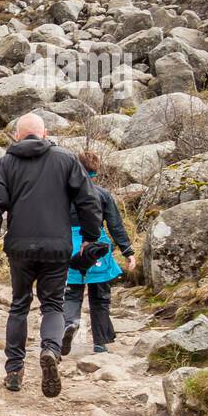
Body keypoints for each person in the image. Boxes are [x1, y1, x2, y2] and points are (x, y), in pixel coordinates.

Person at [0, 113, 102, 398]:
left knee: (19, 305)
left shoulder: (6, 163)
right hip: (57, 248)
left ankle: (14, 370)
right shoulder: (66, 159)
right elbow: (89, 199)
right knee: (52, 305)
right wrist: (90, 237)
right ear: (44, 134)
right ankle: (50, 349)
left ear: (18, 136)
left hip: (19, 247)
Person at [63, 151, 134, 356]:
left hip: (69, 245)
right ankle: (100, 343)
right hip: (96, 246)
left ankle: (70, 323)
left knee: (71, 292)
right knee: (100, 296)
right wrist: (127, 251)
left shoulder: (62, 193)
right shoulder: (102, 194)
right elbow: (115, 224)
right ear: (96, 170)